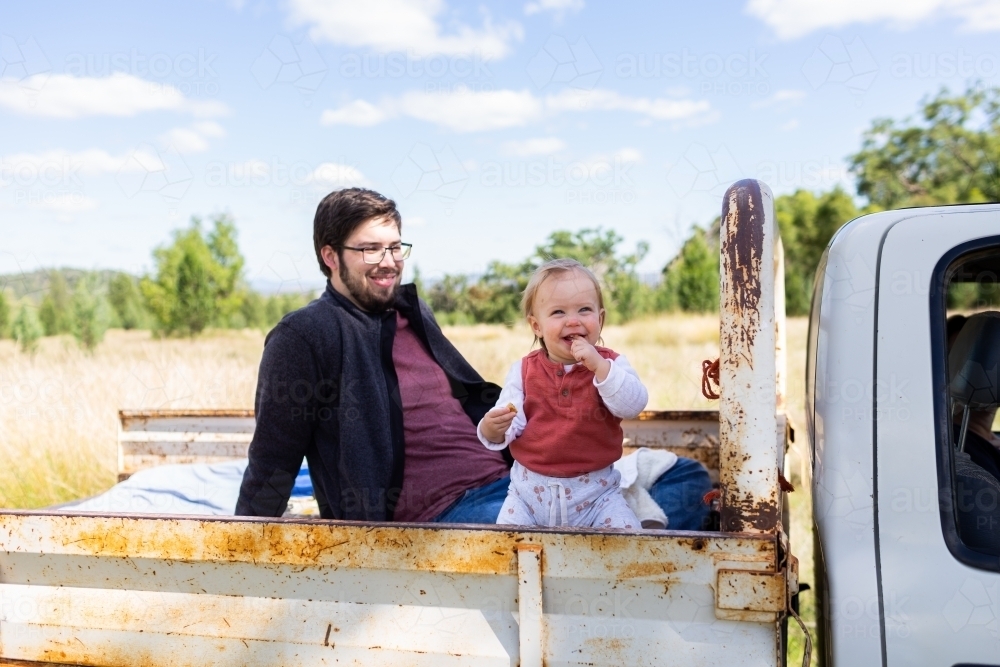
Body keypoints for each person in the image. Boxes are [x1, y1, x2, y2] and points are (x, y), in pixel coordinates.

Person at [236, 187, 712, 529]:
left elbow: (472, 402)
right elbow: (273, 460)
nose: (388, 261)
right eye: (369, 248)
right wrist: (238, 553)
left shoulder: (409, 311)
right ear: (330, 256)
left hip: (517, 480)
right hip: (443, 512)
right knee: (556, 542)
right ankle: (621, 557)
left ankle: (616, 550)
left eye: (394, 246)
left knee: (689, 477)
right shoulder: (306, 335)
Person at [479, 259, 643, 529]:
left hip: (597, 497)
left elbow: (633, 405)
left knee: (629, 547)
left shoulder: (612, 365)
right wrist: (492, 428)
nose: (573, 320)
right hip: (529, 497)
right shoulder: (523, 370)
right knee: (505, 549)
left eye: (584, 309)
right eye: (558, 312)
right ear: (536, 326)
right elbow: (512, 418)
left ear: (600, 319)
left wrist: (599, 367)